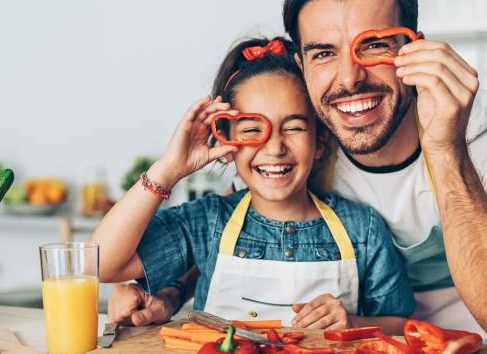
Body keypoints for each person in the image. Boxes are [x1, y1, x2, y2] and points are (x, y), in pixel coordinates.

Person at [110, 0, 487, 337]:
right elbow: (222, 232)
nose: (350, 78)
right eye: (324, 53)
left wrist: (446, 150)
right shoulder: (307, 143)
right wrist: (169, 291)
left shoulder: (475, 135)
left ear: (413, 48)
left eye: (372, 46)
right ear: (301, 65)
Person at [93, 37, 415, 332]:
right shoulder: (207, 222)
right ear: (227, 141)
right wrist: (168, 169)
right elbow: (100, 264)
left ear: (319, 142)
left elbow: (401, 324)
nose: (274, 148)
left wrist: (354, 323)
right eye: (251, 130)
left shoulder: (364, 229)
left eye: (294, 128)